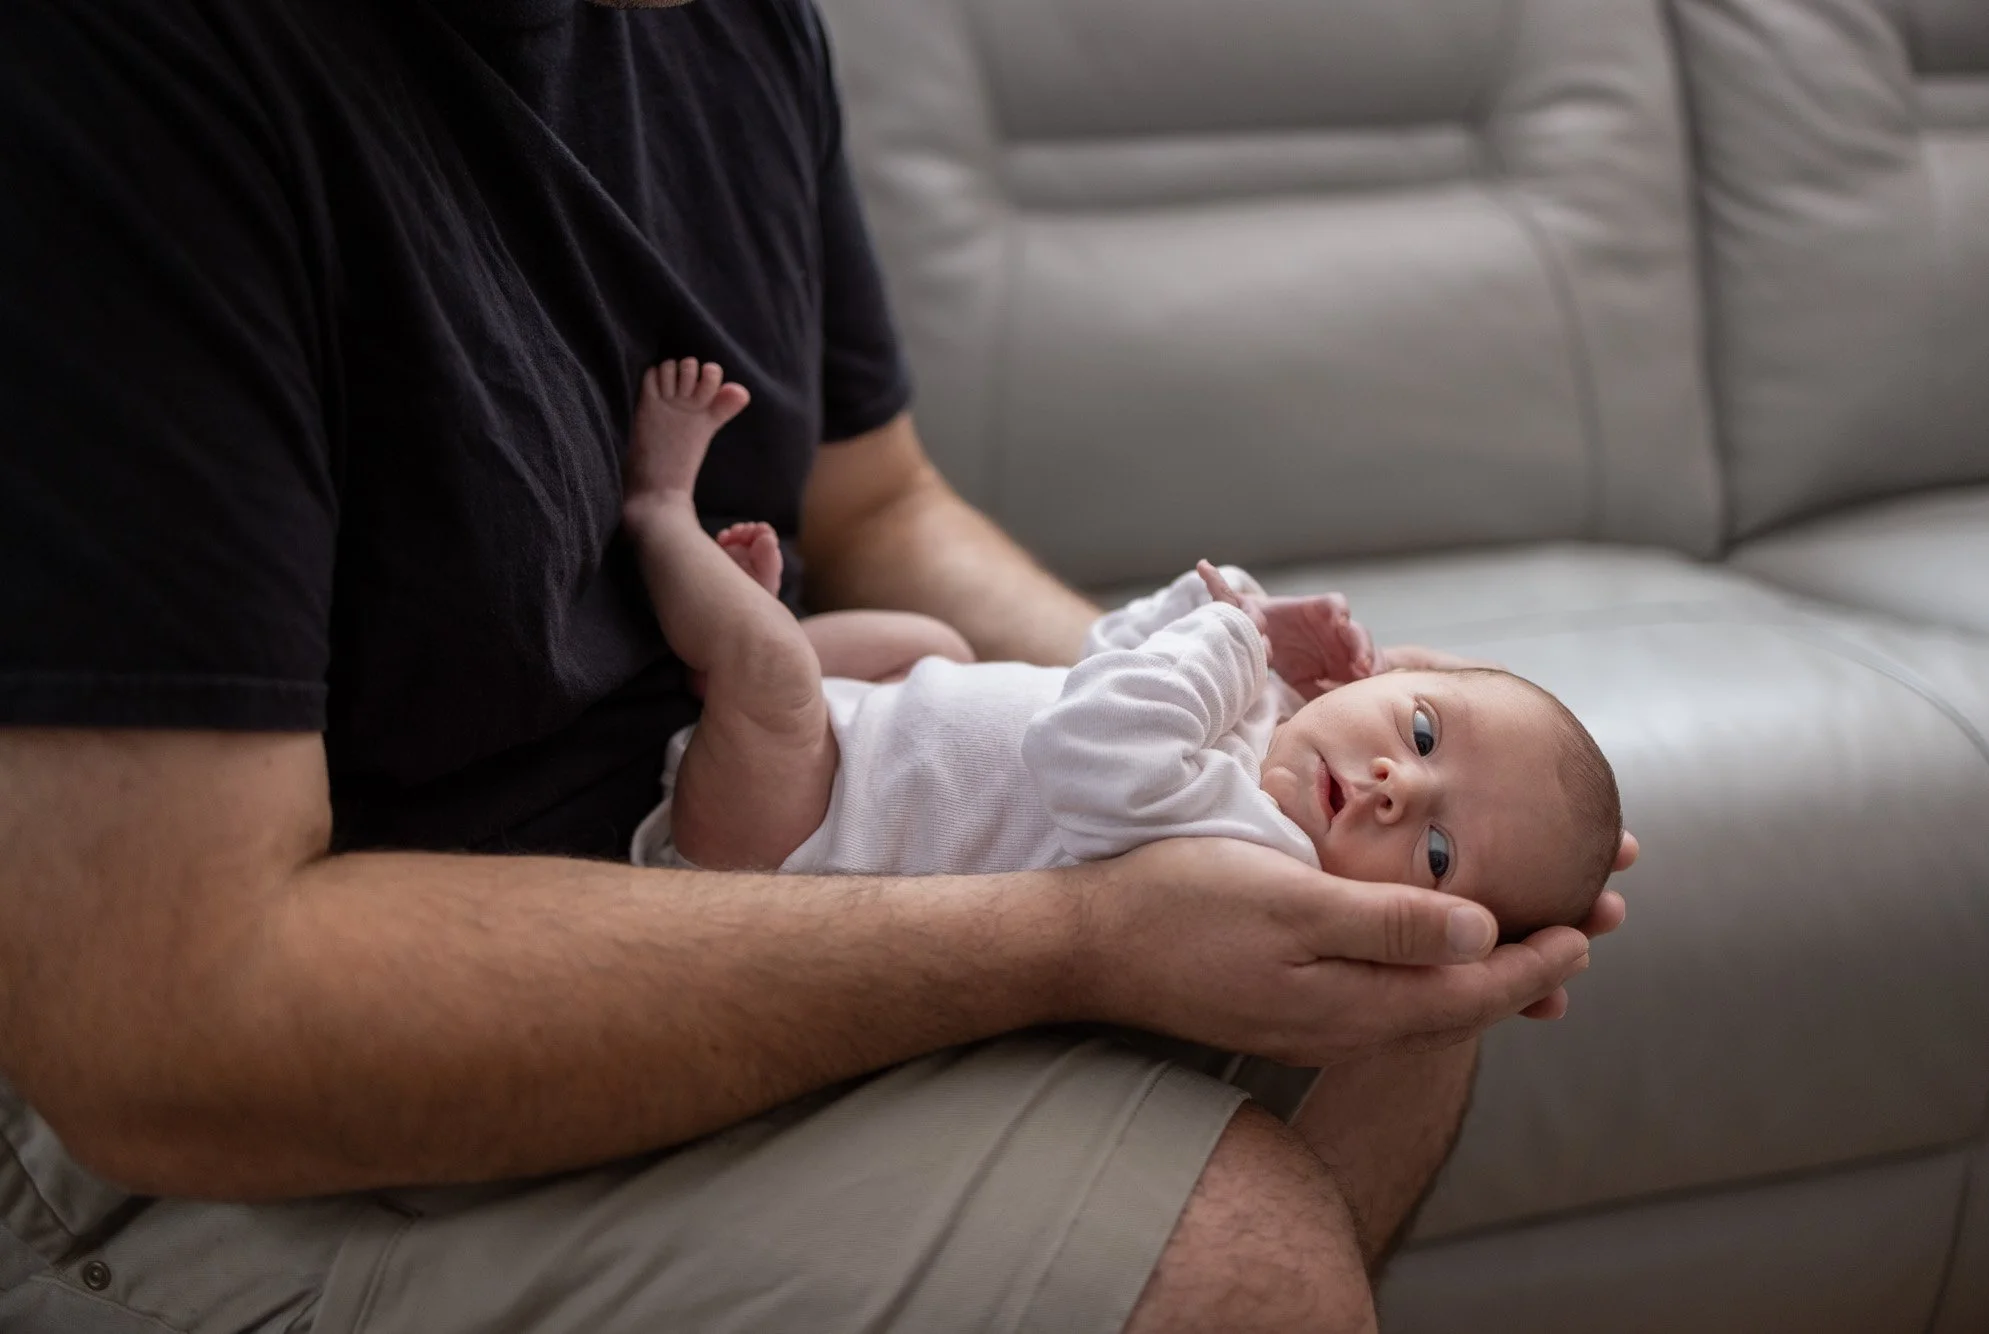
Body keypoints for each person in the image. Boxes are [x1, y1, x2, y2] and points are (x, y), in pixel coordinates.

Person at [0, 1, 1629, 1331]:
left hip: (732, 861)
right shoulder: (121, 86)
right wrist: (1077, 929)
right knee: (1239, 1266)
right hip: (225, 1127)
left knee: (1403, 970)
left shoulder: (733, 30)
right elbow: (170, 1032)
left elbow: (877, 502)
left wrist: (1269, 763)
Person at [625, 358, 1622, 948]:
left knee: (777, 680)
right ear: (1381, 674)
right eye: (1417, 729)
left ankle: (661, 511)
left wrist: (1235, 634)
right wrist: (1228, 609)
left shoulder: (1252, 855)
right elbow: (1108, 659)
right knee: (928, 642)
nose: (1391, 784)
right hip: (855, 750)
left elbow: (1091, 737)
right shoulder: (1261, 738)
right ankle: (733, 670)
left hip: (784, 840)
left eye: (1436, 853)